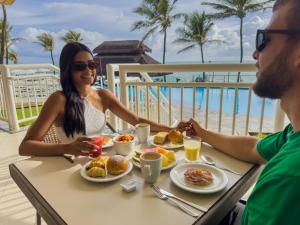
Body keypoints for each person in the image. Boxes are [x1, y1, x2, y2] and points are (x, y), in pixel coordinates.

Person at [180, 0, 300, 224]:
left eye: (263, 40)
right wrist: (202, 133)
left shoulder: (291, 178)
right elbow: (254, 147)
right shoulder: (292, 136)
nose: (255, 54)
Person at [19, 42, 171, 156]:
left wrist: (172, 129)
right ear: (67, 69)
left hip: (100, 161)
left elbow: (137, 121)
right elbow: (25, 147)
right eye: (79, 66)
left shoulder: (103, 96)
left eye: (92, 64)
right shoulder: (59, 100)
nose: (88, 70)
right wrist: (67, 148)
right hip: (69, 167)